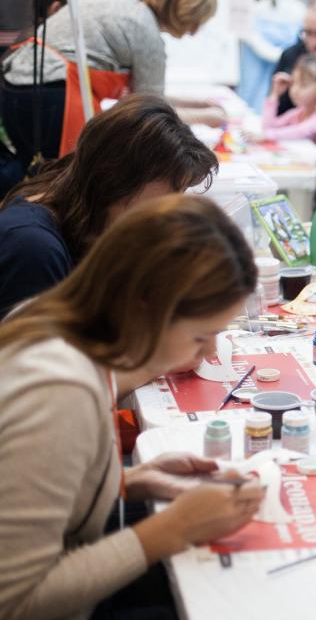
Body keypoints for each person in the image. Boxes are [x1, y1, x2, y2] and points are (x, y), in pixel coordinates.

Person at [0, 194, 264, 620]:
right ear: (146, 305)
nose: (211, 352)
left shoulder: (58, 323)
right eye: (201, 336)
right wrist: (171, 529)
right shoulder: (60, 390)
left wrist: (129, 479)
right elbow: (15, 601)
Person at [0, 94, 217, 318]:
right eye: (170, 193)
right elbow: (52, 340)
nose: (170, 210)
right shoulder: (34, 250)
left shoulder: (74, 203)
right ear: (115, 179)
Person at [0, 0, 222, 171]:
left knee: (34, 175)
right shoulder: (146, 33)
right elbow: (152, 111)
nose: (194, 31)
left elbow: (149, 97)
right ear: (186, 11)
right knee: (62, 179)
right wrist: (206, 117)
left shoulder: (113, 5)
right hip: (55, 98)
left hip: (15, 87)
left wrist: (197, 104)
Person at [236, 0, 308, 113]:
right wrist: (282, 54)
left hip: (252, 88)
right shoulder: (300, 9)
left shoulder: (254, 9)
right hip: (287, 72)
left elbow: (248, 39)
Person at [261, 54, 316, 144]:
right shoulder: (297, 113)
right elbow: (268, 127)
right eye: (293, 83)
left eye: (303, 84)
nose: (295, 90)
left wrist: (268, 135)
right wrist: (274, 95)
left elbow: (302, 132)